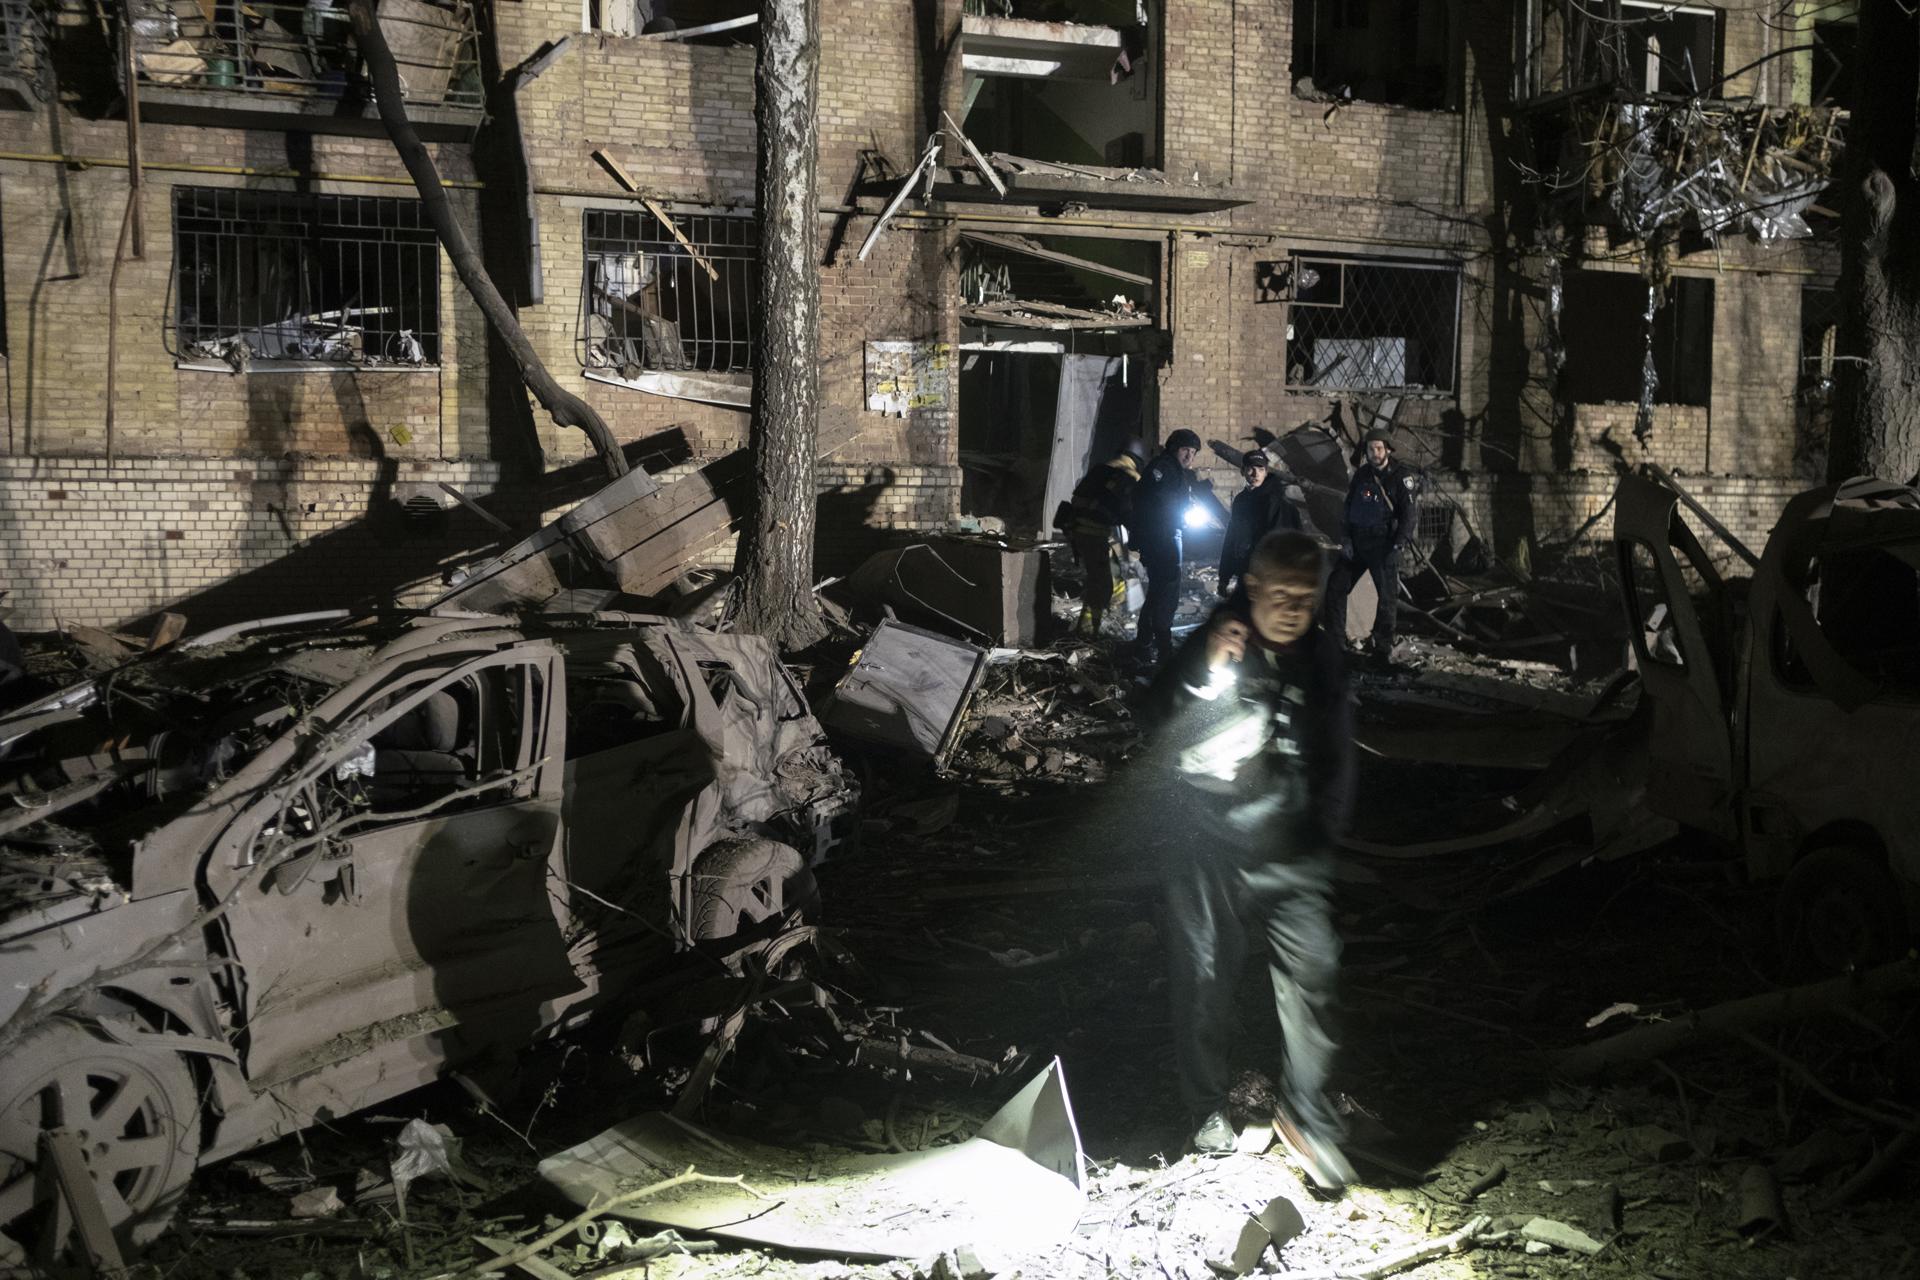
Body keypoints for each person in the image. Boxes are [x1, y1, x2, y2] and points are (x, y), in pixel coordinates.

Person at [1143, 530, 1357, 1188]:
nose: (1293, 610)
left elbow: (1338, 752)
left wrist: (1322, 833)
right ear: (1254, 588)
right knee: (1204, 976)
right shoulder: (1218, 639)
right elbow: (1153, 715)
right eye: (1281, 595)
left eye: (1306, 598)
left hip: (1288, 843)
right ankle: (1206, 1107)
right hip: (1204, 845)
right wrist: (1203, 671)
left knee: (1315, 972)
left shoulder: (1321, 659)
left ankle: (1308, 1116)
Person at [1325, 427, 1415, 663]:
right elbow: (1348, 509)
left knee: (1386, 598)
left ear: (1388, 450)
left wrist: (1398, 545)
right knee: (1336, 587)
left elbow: (1409, 515)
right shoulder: (1362, 475)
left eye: (1379, 448)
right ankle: (1336, 644)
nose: (1375, 453)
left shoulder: (1400, 476)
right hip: (1357, 543)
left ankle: (1381, 649)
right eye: (1370, 449)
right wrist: (1346, 539)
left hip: (1383, 545)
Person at [1132, 429, 1206, 665]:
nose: (1189, 456)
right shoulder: (1164, 468)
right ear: (1174, 448)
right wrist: (1180, 514)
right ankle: (1163, 647)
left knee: (1157, 591)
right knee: (1167, 591)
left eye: (1193, 452)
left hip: (1161, 536)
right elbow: (1155, 501)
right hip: (1163, 537)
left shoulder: (1170, 469)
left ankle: (1144, 644)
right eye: (1185, 450)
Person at [1065, 442, 1145, 637]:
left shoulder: (1101, 469)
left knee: (1110, 577)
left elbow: (1078, 500)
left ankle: (1107, 618)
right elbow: (1128, 514)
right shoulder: (1130, 475)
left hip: (1080, 533)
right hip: (1095, 534)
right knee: (1101, 586)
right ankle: (1086, 633)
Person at [1218, 449, 1302, 599]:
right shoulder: (1241, 500)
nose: (1256, 474)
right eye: (1251, 469)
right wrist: (1224, 576)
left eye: (1261, 469)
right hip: (1246, 572)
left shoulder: (1275, 502)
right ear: (1243, 471)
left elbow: (1278, 544)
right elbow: (1233, 536)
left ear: (1266, 472)